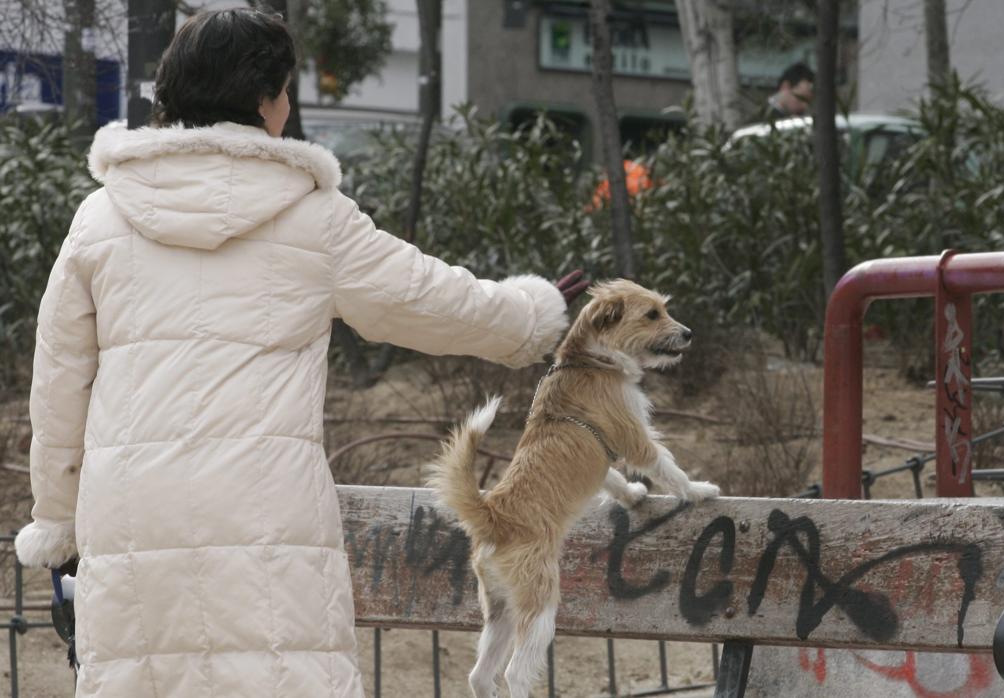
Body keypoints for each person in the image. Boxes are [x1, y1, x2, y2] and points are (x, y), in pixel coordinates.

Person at [14, 8, 586, 697]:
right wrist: (535, 313)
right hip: (267, 514)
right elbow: (430, 300)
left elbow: (59, 386)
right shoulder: (312, 218)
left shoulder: (100, 219)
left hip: (132, 515)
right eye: (285, 91)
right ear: (263, 99)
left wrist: (56, 524)